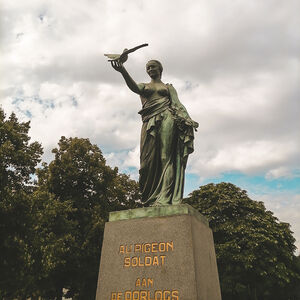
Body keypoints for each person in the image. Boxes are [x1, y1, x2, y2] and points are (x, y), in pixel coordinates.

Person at [110, 59, 198, 206]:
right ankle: (150, 198)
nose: (150, 69)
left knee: (166, 157)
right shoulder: (145, 86)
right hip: (149, 121)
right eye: (148, 67)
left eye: (153, 67)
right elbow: (134, 88)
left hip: (167, 116)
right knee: (146, 164)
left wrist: (187, 118)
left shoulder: (168, 88)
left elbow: (177, 103)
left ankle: (165, 197)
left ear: (160, 69)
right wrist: (123, 71)